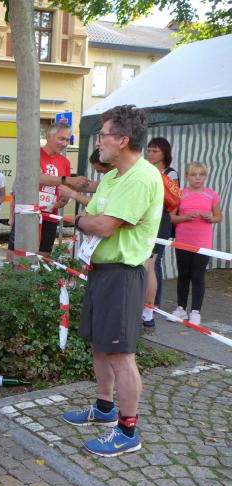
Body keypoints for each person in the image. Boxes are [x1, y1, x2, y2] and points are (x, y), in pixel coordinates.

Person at [63, 105, 163, 457]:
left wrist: (80, 222)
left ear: (122, 140)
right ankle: (104, 408)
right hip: (102, 270)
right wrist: (90, 220)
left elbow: (102, 225)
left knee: (121, 354)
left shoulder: (142, 177)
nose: (98, 142)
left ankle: (128, 430)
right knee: (100, 345)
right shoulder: (112, 176)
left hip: (123, 274)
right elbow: (95, 216)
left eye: (103, 135)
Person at [8, 122, 89, 258]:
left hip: (50, 216)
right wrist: (68, 180)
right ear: (49, 136)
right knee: (16, 254)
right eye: (61, 139)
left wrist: (64, 199)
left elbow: (65, 187)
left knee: (44, 256)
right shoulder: (34, 155)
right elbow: (37, 178)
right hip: (28, 213)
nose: (65, 143)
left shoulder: (65, 162)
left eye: (67, 140)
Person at [168, 162, 222, 326]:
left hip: (203, 243)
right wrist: (185, 217)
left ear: (205, 176)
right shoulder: (180, 194)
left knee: (198, 276)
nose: (197, 178)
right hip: (183, 241)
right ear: (187, 177)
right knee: (183, 275)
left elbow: (219, 216)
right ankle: (181, 308)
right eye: (193, 175)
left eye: (201, 174)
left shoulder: (212, 194)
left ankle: (196, 312)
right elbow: (171, 218)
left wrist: (210, 218)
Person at [142, 137, 180, 329]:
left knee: (152, 263)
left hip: (159, 219)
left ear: (164, 153)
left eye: (155, 151)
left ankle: (152, 306)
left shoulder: (169, 173)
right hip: (146, 218)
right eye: (149, 150)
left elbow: (173, 201)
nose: (150, 154)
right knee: (146, 263)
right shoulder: (145, 169)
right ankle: (146, 305)